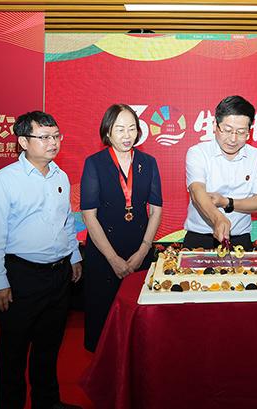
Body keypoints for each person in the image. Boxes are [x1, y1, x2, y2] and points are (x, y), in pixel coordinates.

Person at [0, 111, 82, 409]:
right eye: (45, 137)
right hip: (21, 276)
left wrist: (74, 257)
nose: (53, 143)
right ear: (23, 141)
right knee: (13, 351)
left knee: (48, 346)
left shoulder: (60, 176)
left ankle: (47, 402)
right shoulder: (3, 181)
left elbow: (67, 221)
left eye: (56, 136)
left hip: (58, 274)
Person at [81, 104, 162, 352]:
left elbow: (156, 210)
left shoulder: (148, 162)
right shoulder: (95, 163)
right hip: (104, 254)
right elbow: (89, 216)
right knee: (102, 326)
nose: (127, 135)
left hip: (139, 249)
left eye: (132, 128)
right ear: (108, 132)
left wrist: (143, 251)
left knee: (139, 326)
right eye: (119, 129)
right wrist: (113, 259)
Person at [183, 95, 257, 249]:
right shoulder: (198, 153)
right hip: (200, 238)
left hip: (240, 240)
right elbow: (197, 191)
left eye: (241, 132)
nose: (233, 139)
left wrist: (226, 202)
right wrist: (218, 219)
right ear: (215, 125)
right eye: (227, 130)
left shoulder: (256, 157)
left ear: (249, 132)